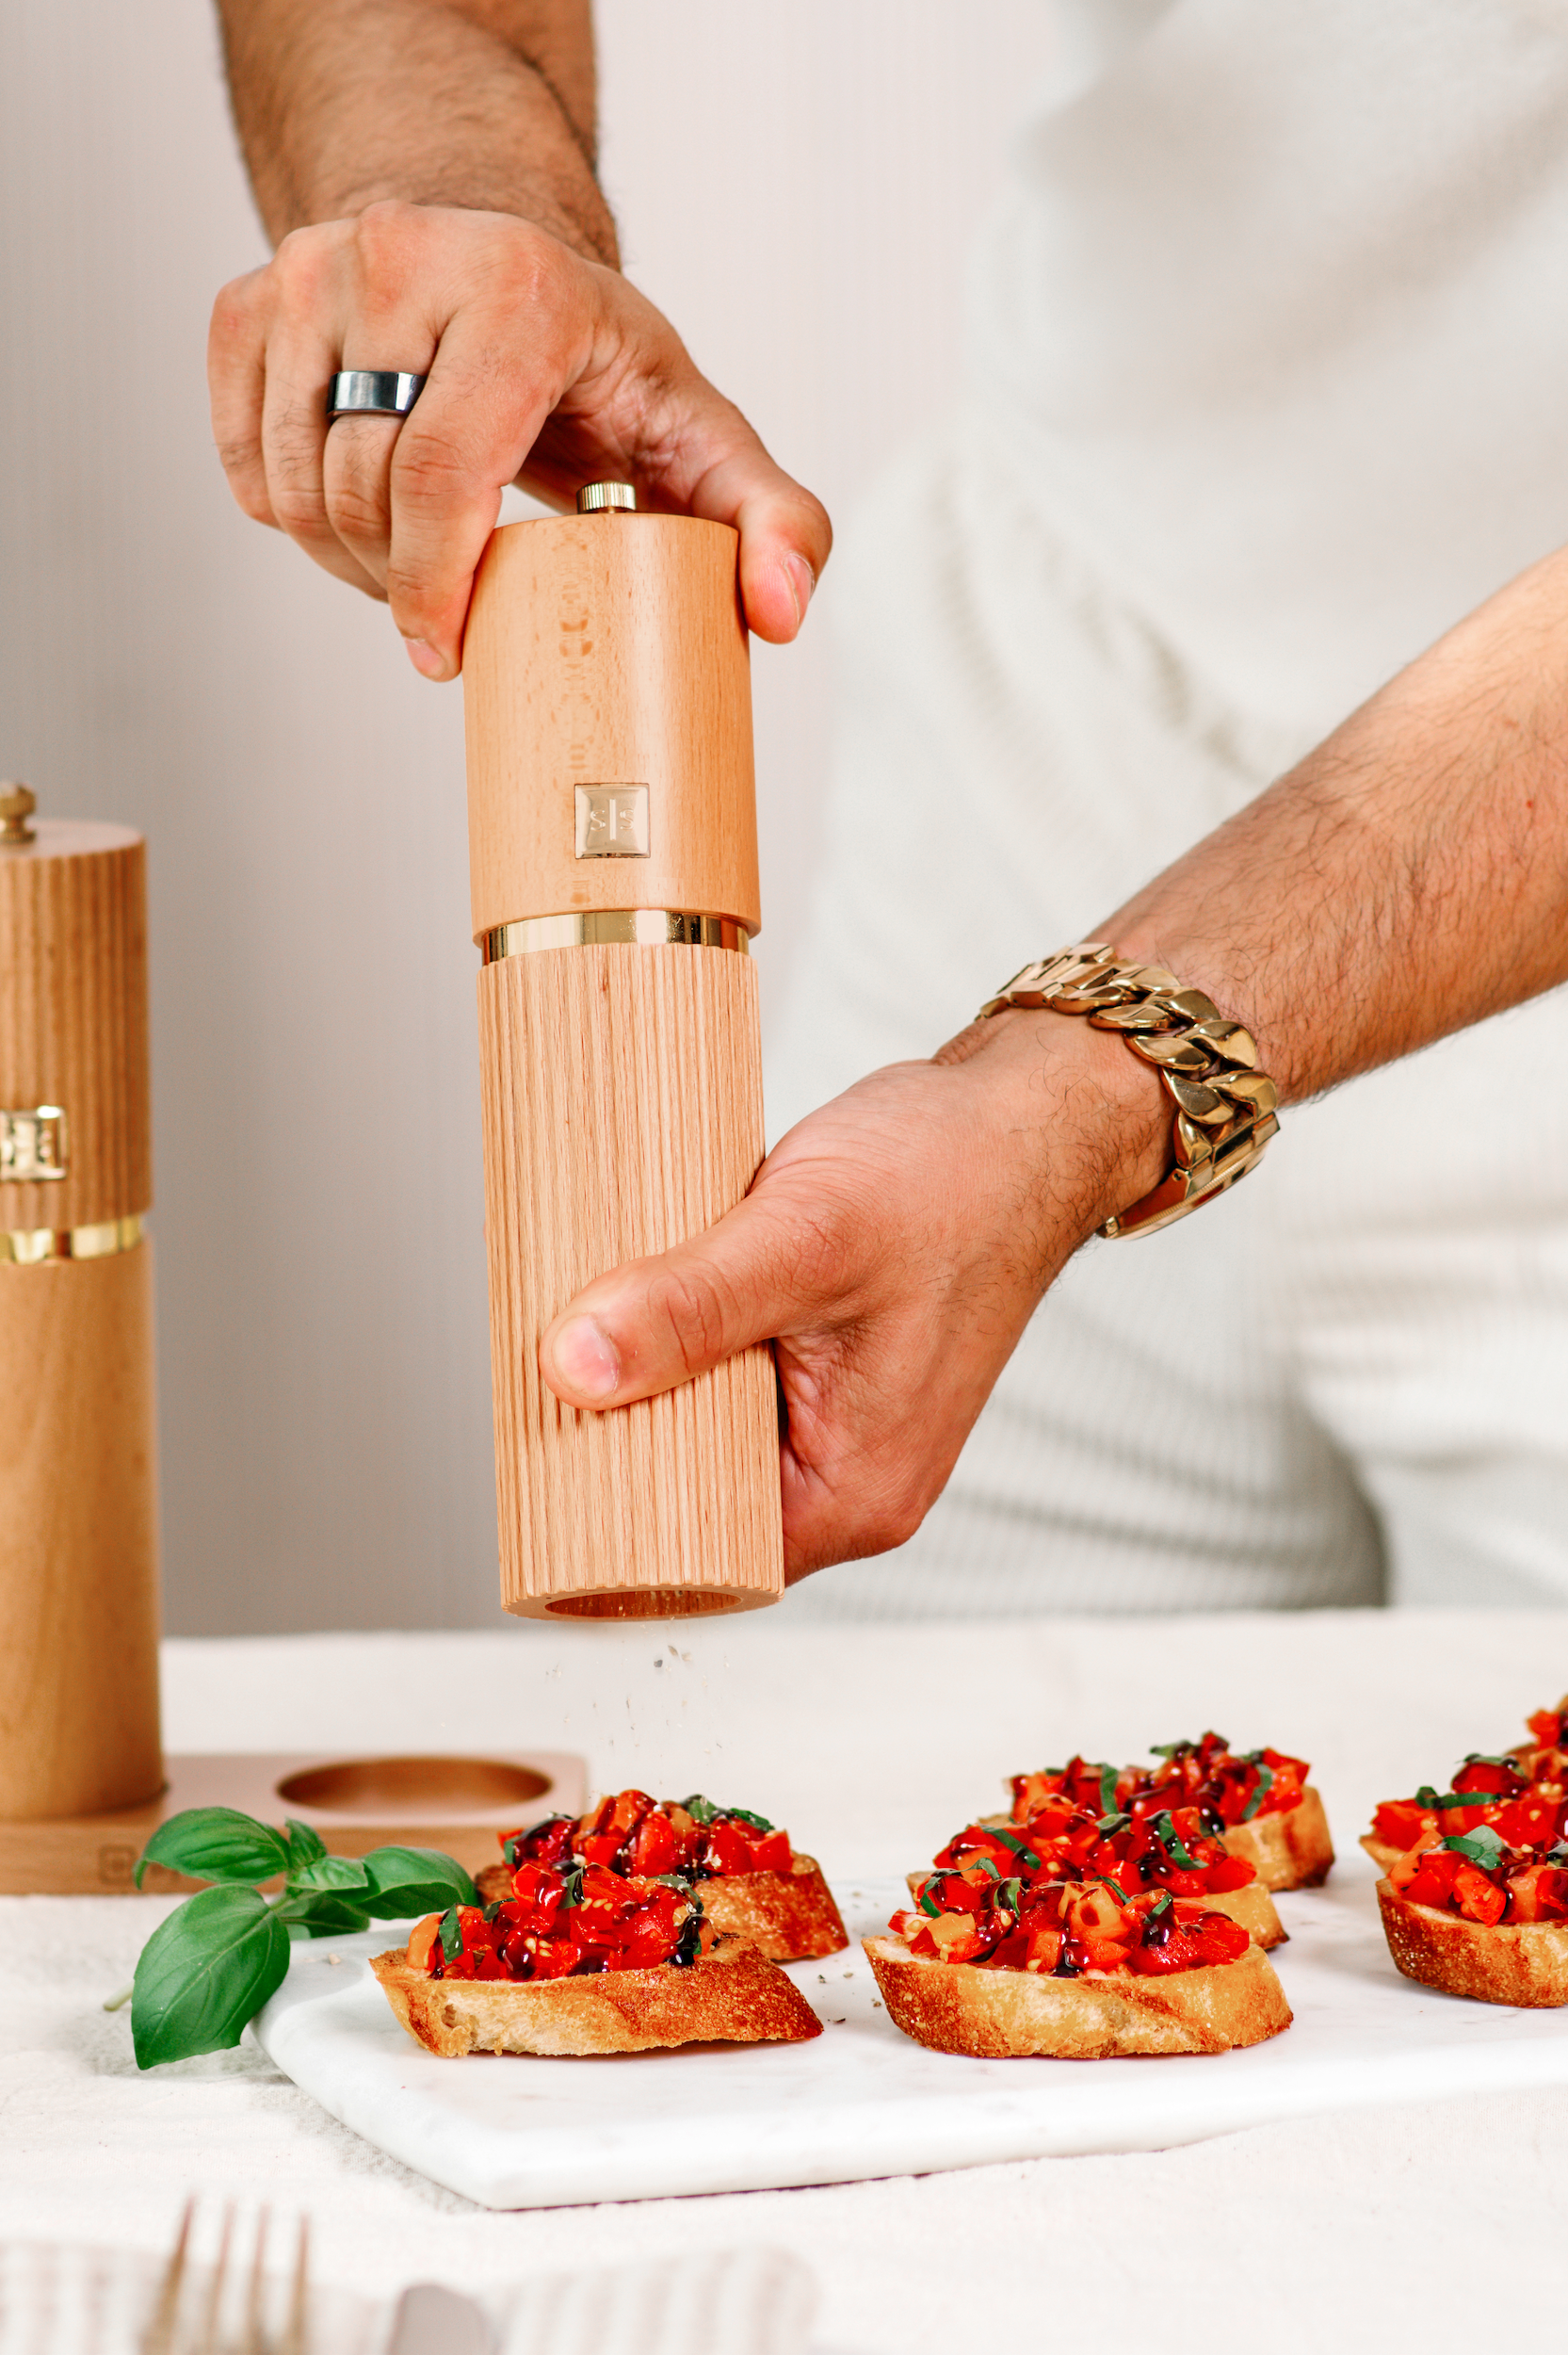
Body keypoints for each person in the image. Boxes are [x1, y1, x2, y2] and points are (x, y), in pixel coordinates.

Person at [206, 0, 1568, 1612]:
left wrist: (1078, 1091)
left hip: (1476, 967)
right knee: (848, 1807)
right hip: (1045, 716)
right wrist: (464, 206)